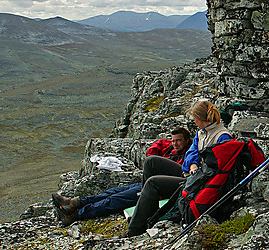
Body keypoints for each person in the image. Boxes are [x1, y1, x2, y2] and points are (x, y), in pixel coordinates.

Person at [126, 100, 232, 237]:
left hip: (199, 184)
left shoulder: (222, 136)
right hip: (193, 173)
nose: (194, 121)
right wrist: (193, 164)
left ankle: (134, 230)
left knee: (153, 183)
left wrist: (197, 172)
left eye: (195, 118)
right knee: (150, 162)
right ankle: (145, 207)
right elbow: (191, 153)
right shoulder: (202, 133)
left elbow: (221, 169)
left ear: (200, 118)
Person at [52, 127, 193, 226]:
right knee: (112, 192)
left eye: (178, 141)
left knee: (115, 200)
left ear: (187, 140)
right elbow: (158, 145)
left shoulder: (188, 156)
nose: (175, 144)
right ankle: (75, 203)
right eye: (174, 140)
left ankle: (76, 215)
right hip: (145, 182)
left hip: (156, 190)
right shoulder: (171, 148)